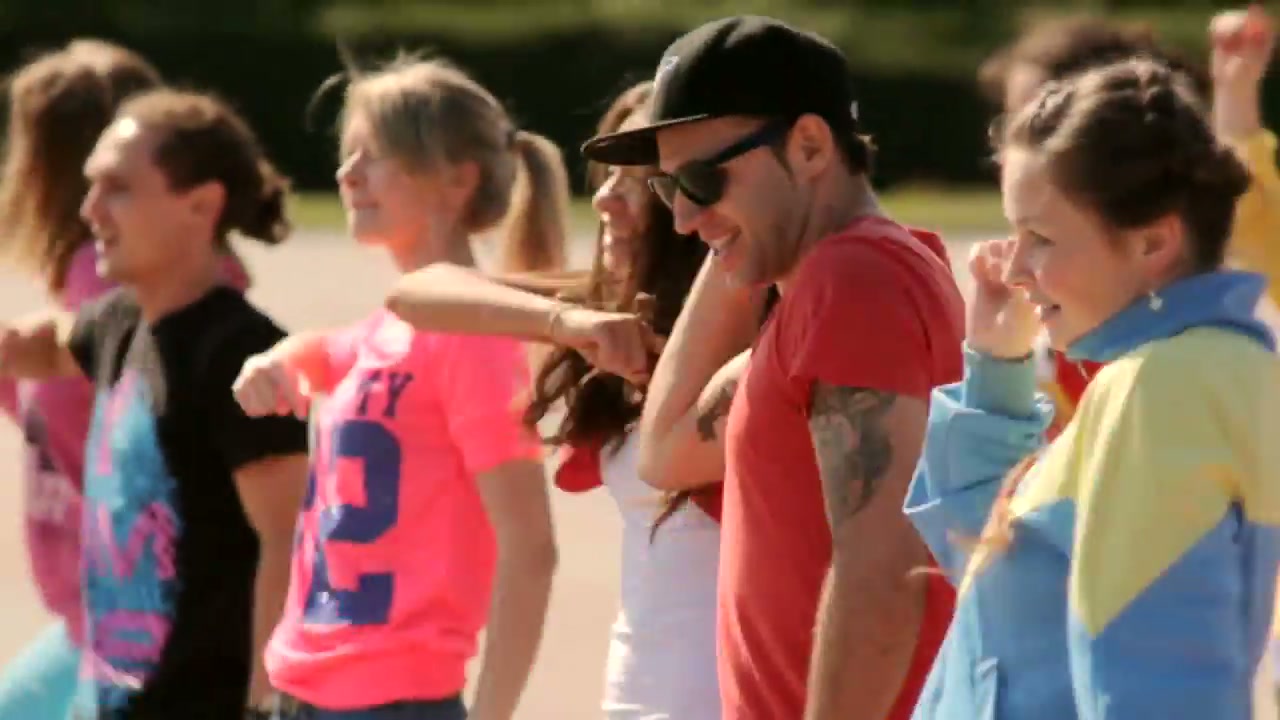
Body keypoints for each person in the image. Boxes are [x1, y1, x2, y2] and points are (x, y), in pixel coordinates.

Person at [580, 15, 963, 720]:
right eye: (668, 189)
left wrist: (741, 229)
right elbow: (664, 453)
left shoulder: (855, 279)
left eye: (704, 178)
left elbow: (882, 573)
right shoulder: (821, 290)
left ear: (810, 145)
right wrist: (735, 231)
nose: (683, 219)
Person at [906, 57, 1280, 719]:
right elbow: (1004, 582)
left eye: (1041, 239)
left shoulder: (1165, 388)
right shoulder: (1177, 372)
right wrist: (996, 370)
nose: (1014, 269)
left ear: (1153, 242)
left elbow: (1159, 687)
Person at [386, 80, 740, 719]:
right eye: (607, 175)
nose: (605, 199)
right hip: (636, 695)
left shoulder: (752, 332)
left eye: (639, 180)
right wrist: (566, 322)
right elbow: (417, 293)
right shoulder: (610, 309)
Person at [231, 57, 566, 720]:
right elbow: (326, 350)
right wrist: (274, 360)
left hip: (393, 702)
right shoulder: (387, 328)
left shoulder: (474, 335)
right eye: (347, 154)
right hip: (303, 688)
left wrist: (491, 714)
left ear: (458, 180)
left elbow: (531, 548)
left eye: (376, 155)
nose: (347, 175)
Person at [0, 87, 309, 719]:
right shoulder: (116, 323)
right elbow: (48, 347)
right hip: (112, 698)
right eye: (91, 186)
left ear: (201, 205)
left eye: (117, 188)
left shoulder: (241, 355)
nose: (89, 210)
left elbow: (288, 539)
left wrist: (267, 706)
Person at [978, 5, 1280, 436]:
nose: (1019, 138)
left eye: (1048, 109)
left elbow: (1246, 205)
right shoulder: (1070, 304)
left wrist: (1236, 93)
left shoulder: (1178, 379)